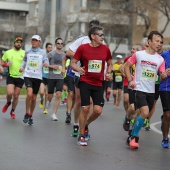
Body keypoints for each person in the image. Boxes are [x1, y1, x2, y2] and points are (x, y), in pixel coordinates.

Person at [124, 31, 166, 149]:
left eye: (161, 42)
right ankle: (134, 138)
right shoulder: (139, 55)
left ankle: (131, 133)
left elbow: (161, 73)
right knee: (145, 112)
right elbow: (127, 66)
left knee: (141, 114)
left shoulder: (160, 59)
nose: (159, 44)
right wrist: (130, 79)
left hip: (151, 91)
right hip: (138, 88)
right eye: (156, 41)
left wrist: (163, 75)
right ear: (149, 42)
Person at [71, 26, 113, 146]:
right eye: (100, 35)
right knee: (85, 108)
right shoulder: (83, 48)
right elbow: (73, 63)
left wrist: (109, 73)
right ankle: (81, 135)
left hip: (99, 83)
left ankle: (86, 125)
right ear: (93, 36)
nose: (102, 37)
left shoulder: (105, 49)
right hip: (85, 82)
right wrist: (78, 68)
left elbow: (110, 63)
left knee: (98, 111)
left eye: (103, 35)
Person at [66, 20, 101, 137]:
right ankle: (76, 124)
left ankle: (85, 126)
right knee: (80, 101)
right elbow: (69, 52)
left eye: (97, 28)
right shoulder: (82, 40)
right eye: (93, 28)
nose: (95, 31)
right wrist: (82, 55)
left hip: (94, 77)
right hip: (80, 74)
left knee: (89, 103)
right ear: (90, 30)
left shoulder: (102, 42)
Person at [19, 35, 49, 125]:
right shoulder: (27, 51)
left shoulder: (42, 52)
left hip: (37, 76)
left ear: (39, 42)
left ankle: (31, 115)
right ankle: (26, 113)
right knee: (29, 94)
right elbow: (24, 60)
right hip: (28, 75)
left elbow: (46, 60)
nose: (34, 42)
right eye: (33, 40)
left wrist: (46, 63)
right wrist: (21, 67)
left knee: (34, 98)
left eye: (36, 41)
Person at [1, 36, 25, 119]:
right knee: (10, 93)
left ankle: (12, 111)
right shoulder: (8, 52)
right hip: (11, 76)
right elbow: (2, 61)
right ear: (14, 43)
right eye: (17, 42)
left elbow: (28, 63)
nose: (19, 43)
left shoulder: (24, 53)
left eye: (20, 42)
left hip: (20, 77)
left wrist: (24, 68)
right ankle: (8, 103)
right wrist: (5, 64)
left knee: (16, 96)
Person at [45, 38, 65, 121]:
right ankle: (48, 101)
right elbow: (45, 64)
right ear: (55, 44)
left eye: (61, 43)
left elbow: (65, 64)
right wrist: (52, 66)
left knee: (58, 94)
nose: (60, 44)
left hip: (60, 77)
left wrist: (64, 68)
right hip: (51, 77)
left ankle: (54, 114)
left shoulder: (64, 55)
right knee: (50, 96)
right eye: (58, 43)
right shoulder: (51, 54)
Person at [159, 48, 170, 148]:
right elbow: (157, 69)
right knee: (167, 114)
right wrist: (163, 74)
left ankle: (164, 120)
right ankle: (165, 138)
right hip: (166, 88)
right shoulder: (164, 55)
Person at [39, 42, 52, 114]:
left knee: (47, 94)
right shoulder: (43, 56)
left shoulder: (53, 56)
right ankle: (41, 99)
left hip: (49, 77)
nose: (50, 49)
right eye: (49, 47)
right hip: (43, 76)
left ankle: (45, 108)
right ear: (46, 48)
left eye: (51, 48)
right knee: (41, 92)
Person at [62, 56, 75, 124]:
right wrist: (63, 68)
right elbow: (65, 57)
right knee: (70, 94)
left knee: (75, 97)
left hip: (80, 75)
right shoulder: (74, 48)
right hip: (71, 75)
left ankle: (69, 110)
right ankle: (69, 114)